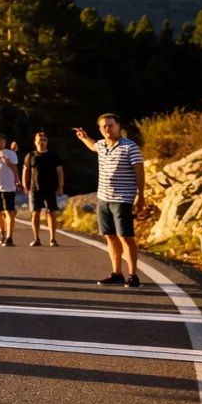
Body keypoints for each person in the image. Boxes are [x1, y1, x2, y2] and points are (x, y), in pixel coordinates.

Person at [74, 115, 145, 287]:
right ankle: (117, 273)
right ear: (100, 129)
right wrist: (84, 138)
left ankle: (133, 275)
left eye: (110, 126)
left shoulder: (130, 147)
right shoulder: (102, 145)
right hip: (103, 199)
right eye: (104, 126)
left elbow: (140, 172)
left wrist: (141, 195)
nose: (107, 129)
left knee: (125, 237)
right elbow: (93, 146)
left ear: (118, 126)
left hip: (123, 199)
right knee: (110, 236)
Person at [22, 132, 65, 247]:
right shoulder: (30, 156)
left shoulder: (53, 156)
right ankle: (36, 238)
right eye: (39, 140)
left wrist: (60, 187)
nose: (41, 142)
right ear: (35, 142)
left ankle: (53, 239)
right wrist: (25, 186)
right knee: (35, 213)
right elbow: (25, 171)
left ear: (47, 142)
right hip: (34, 188)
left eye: (44, 140)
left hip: (50, 188)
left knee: (51, 212)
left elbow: (60, 172)